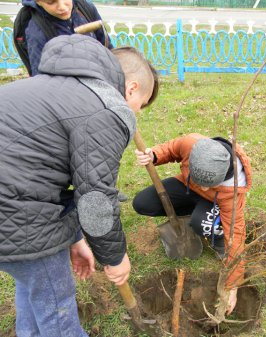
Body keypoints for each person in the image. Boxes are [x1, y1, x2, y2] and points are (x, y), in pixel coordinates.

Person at [0, 34, 158, 337]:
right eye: (141, 105)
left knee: (34, 285)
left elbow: (42, 172)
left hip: (13, 209)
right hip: (14, 212)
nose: (136, 112)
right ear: (132, 88)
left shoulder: (53, 88)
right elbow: (95, 199)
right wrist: (115, 257)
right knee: (58, 315)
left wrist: (73, 238)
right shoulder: (105, 109)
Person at [133, 133, 252, 315]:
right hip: (187, 187)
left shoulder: (232, 190)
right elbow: (172, 148)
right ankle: (194, 212)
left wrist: (233, 286)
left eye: (209, 184)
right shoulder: (191, 145)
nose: (204, 188)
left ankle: (216, 240)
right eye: (202, 182)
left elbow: (236, 236)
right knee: (142, 203)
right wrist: (154, 155)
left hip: (217, 203)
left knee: (202, 223)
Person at [21, 0, 111, 76]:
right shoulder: (37, 34)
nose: (62, 7)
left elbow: (108, 49)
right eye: (51, 2)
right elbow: (41, 80)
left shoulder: (86, 9)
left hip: (100, 77)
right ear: (38, 2)